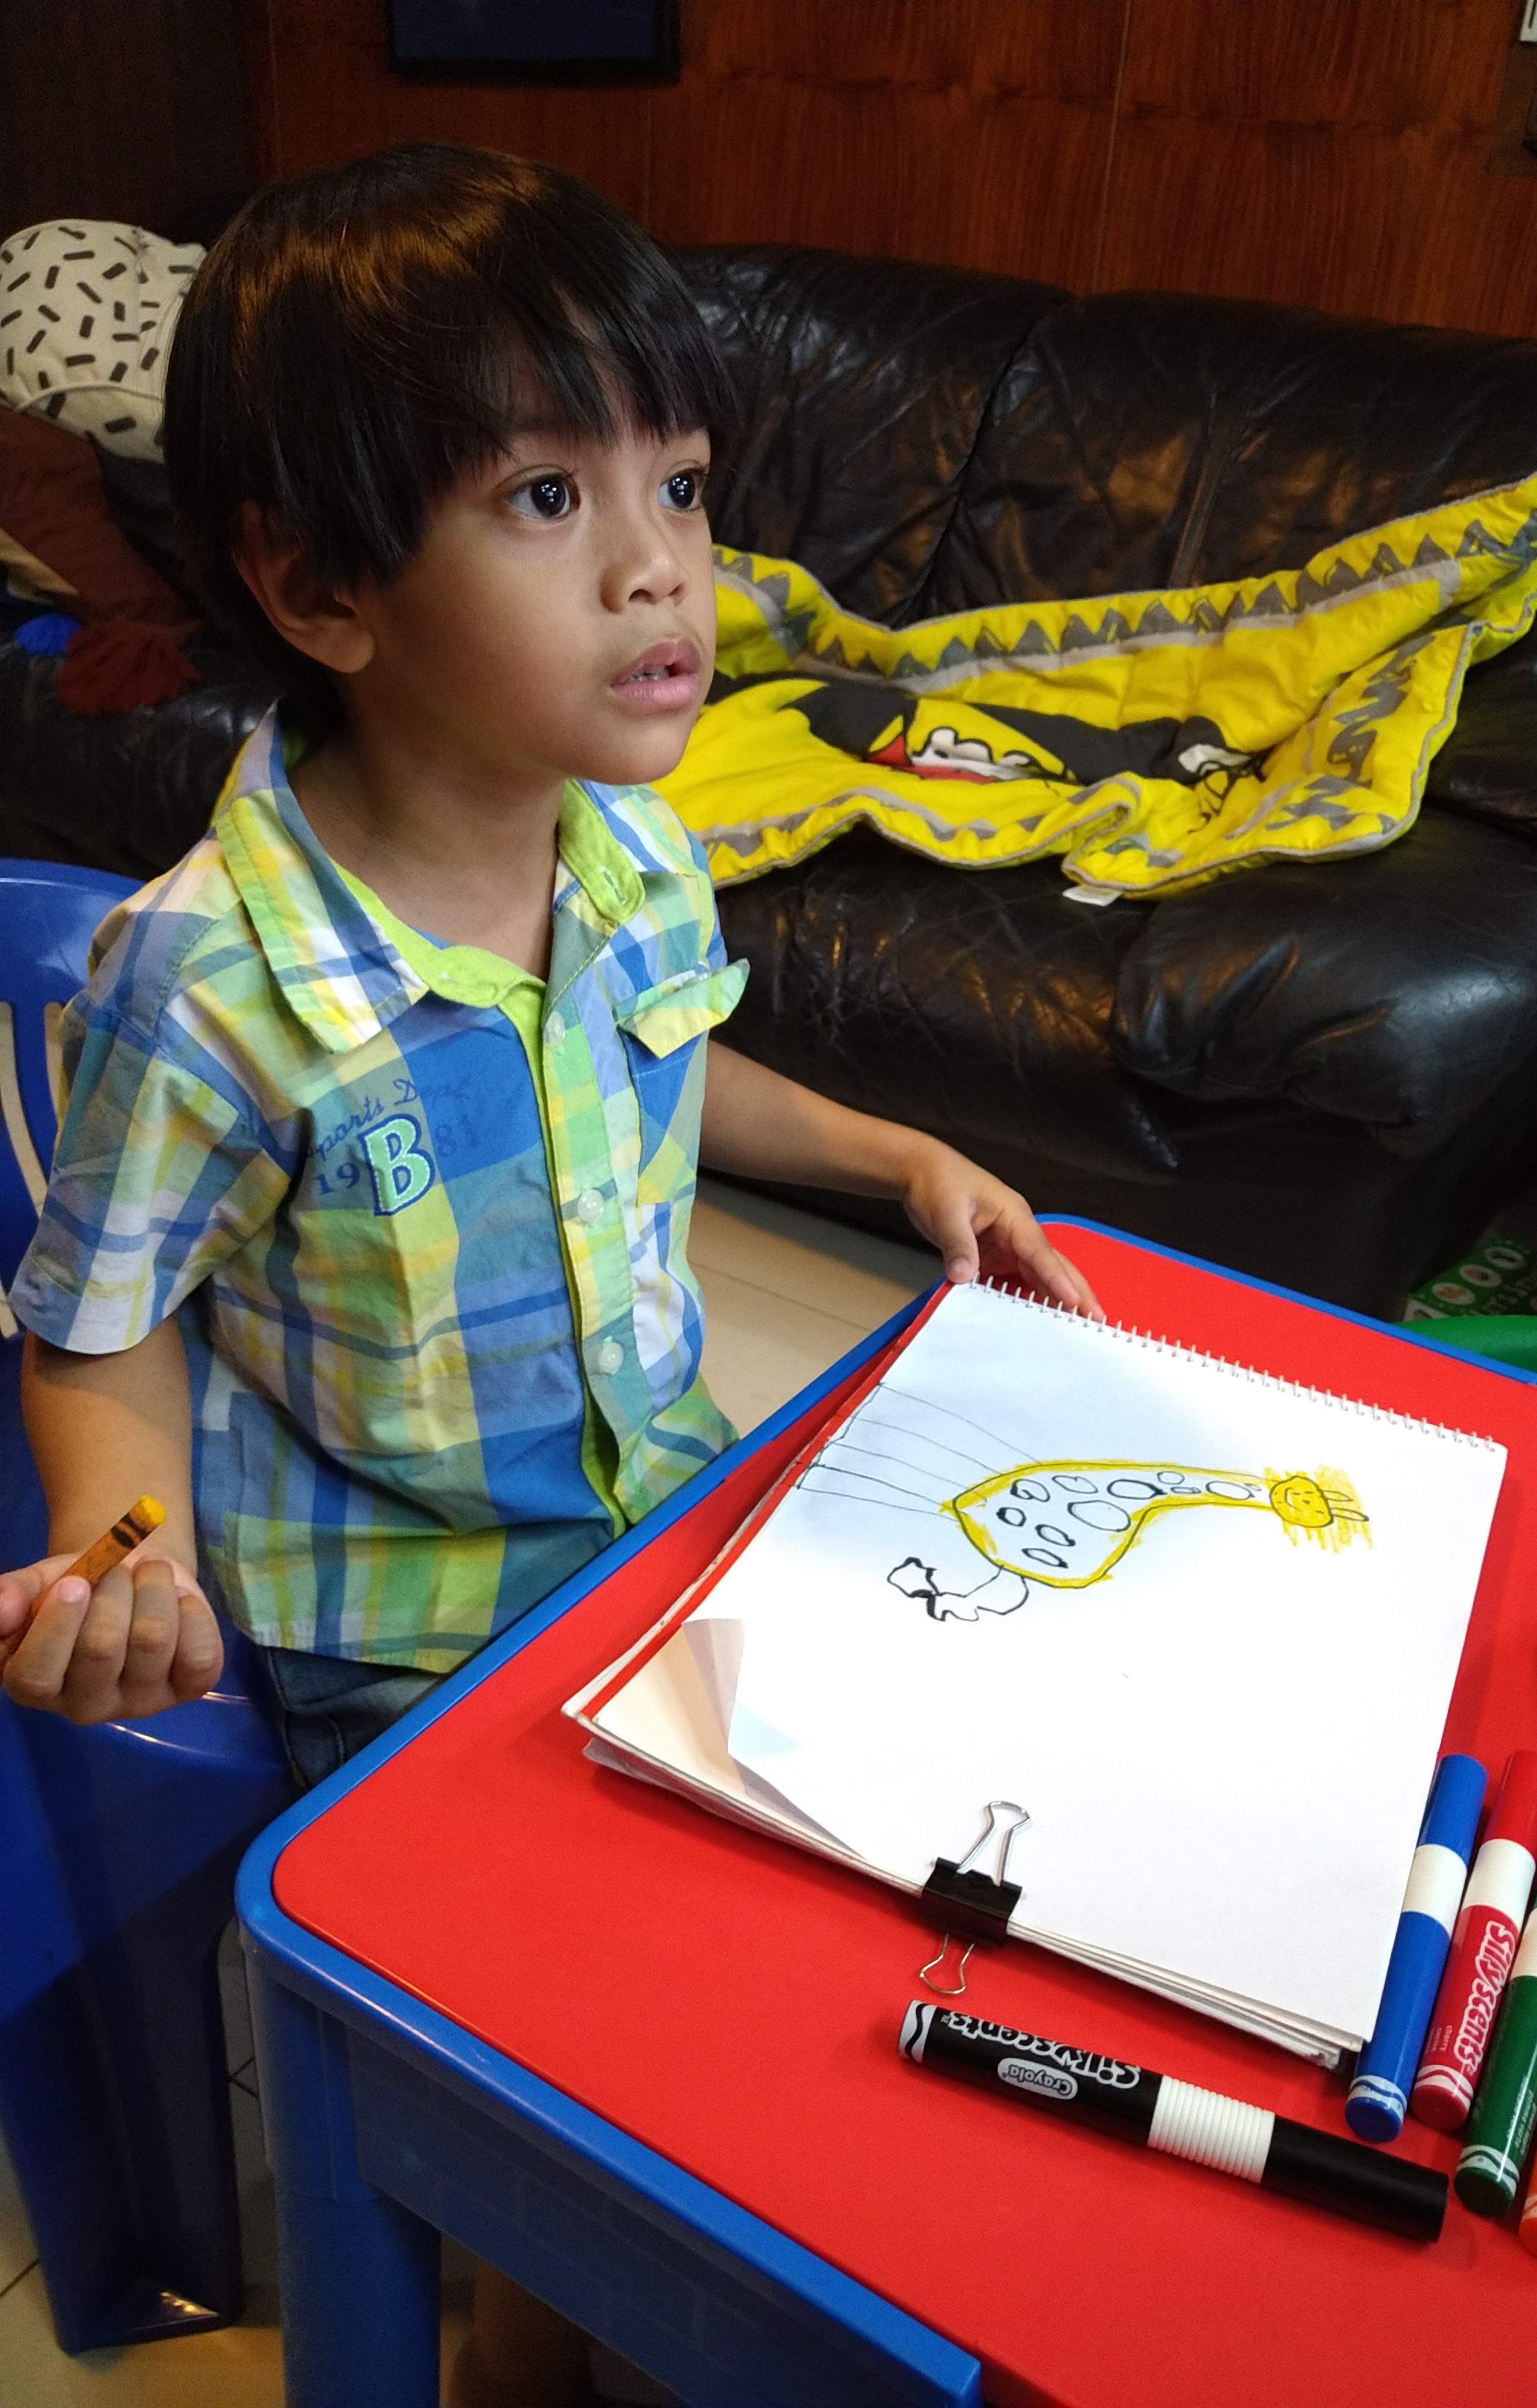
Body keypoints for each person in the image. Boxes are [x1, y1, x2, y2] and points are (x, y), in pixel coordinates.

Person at [0, 145, 1098, 2404]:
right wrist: (129, 1546)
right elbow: (100, 1321)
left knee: (905, 1878)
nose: (661, 565)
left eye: (677, 482)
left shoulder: (635, 846)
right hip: (401, 1634)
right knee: (571, 2064)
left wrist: (893, 1156)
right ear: (317, 586)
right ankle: (525, 2327)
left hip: (668, 1519)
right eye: (544, 499)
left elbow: (666, 1067)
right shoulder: (204, 990)